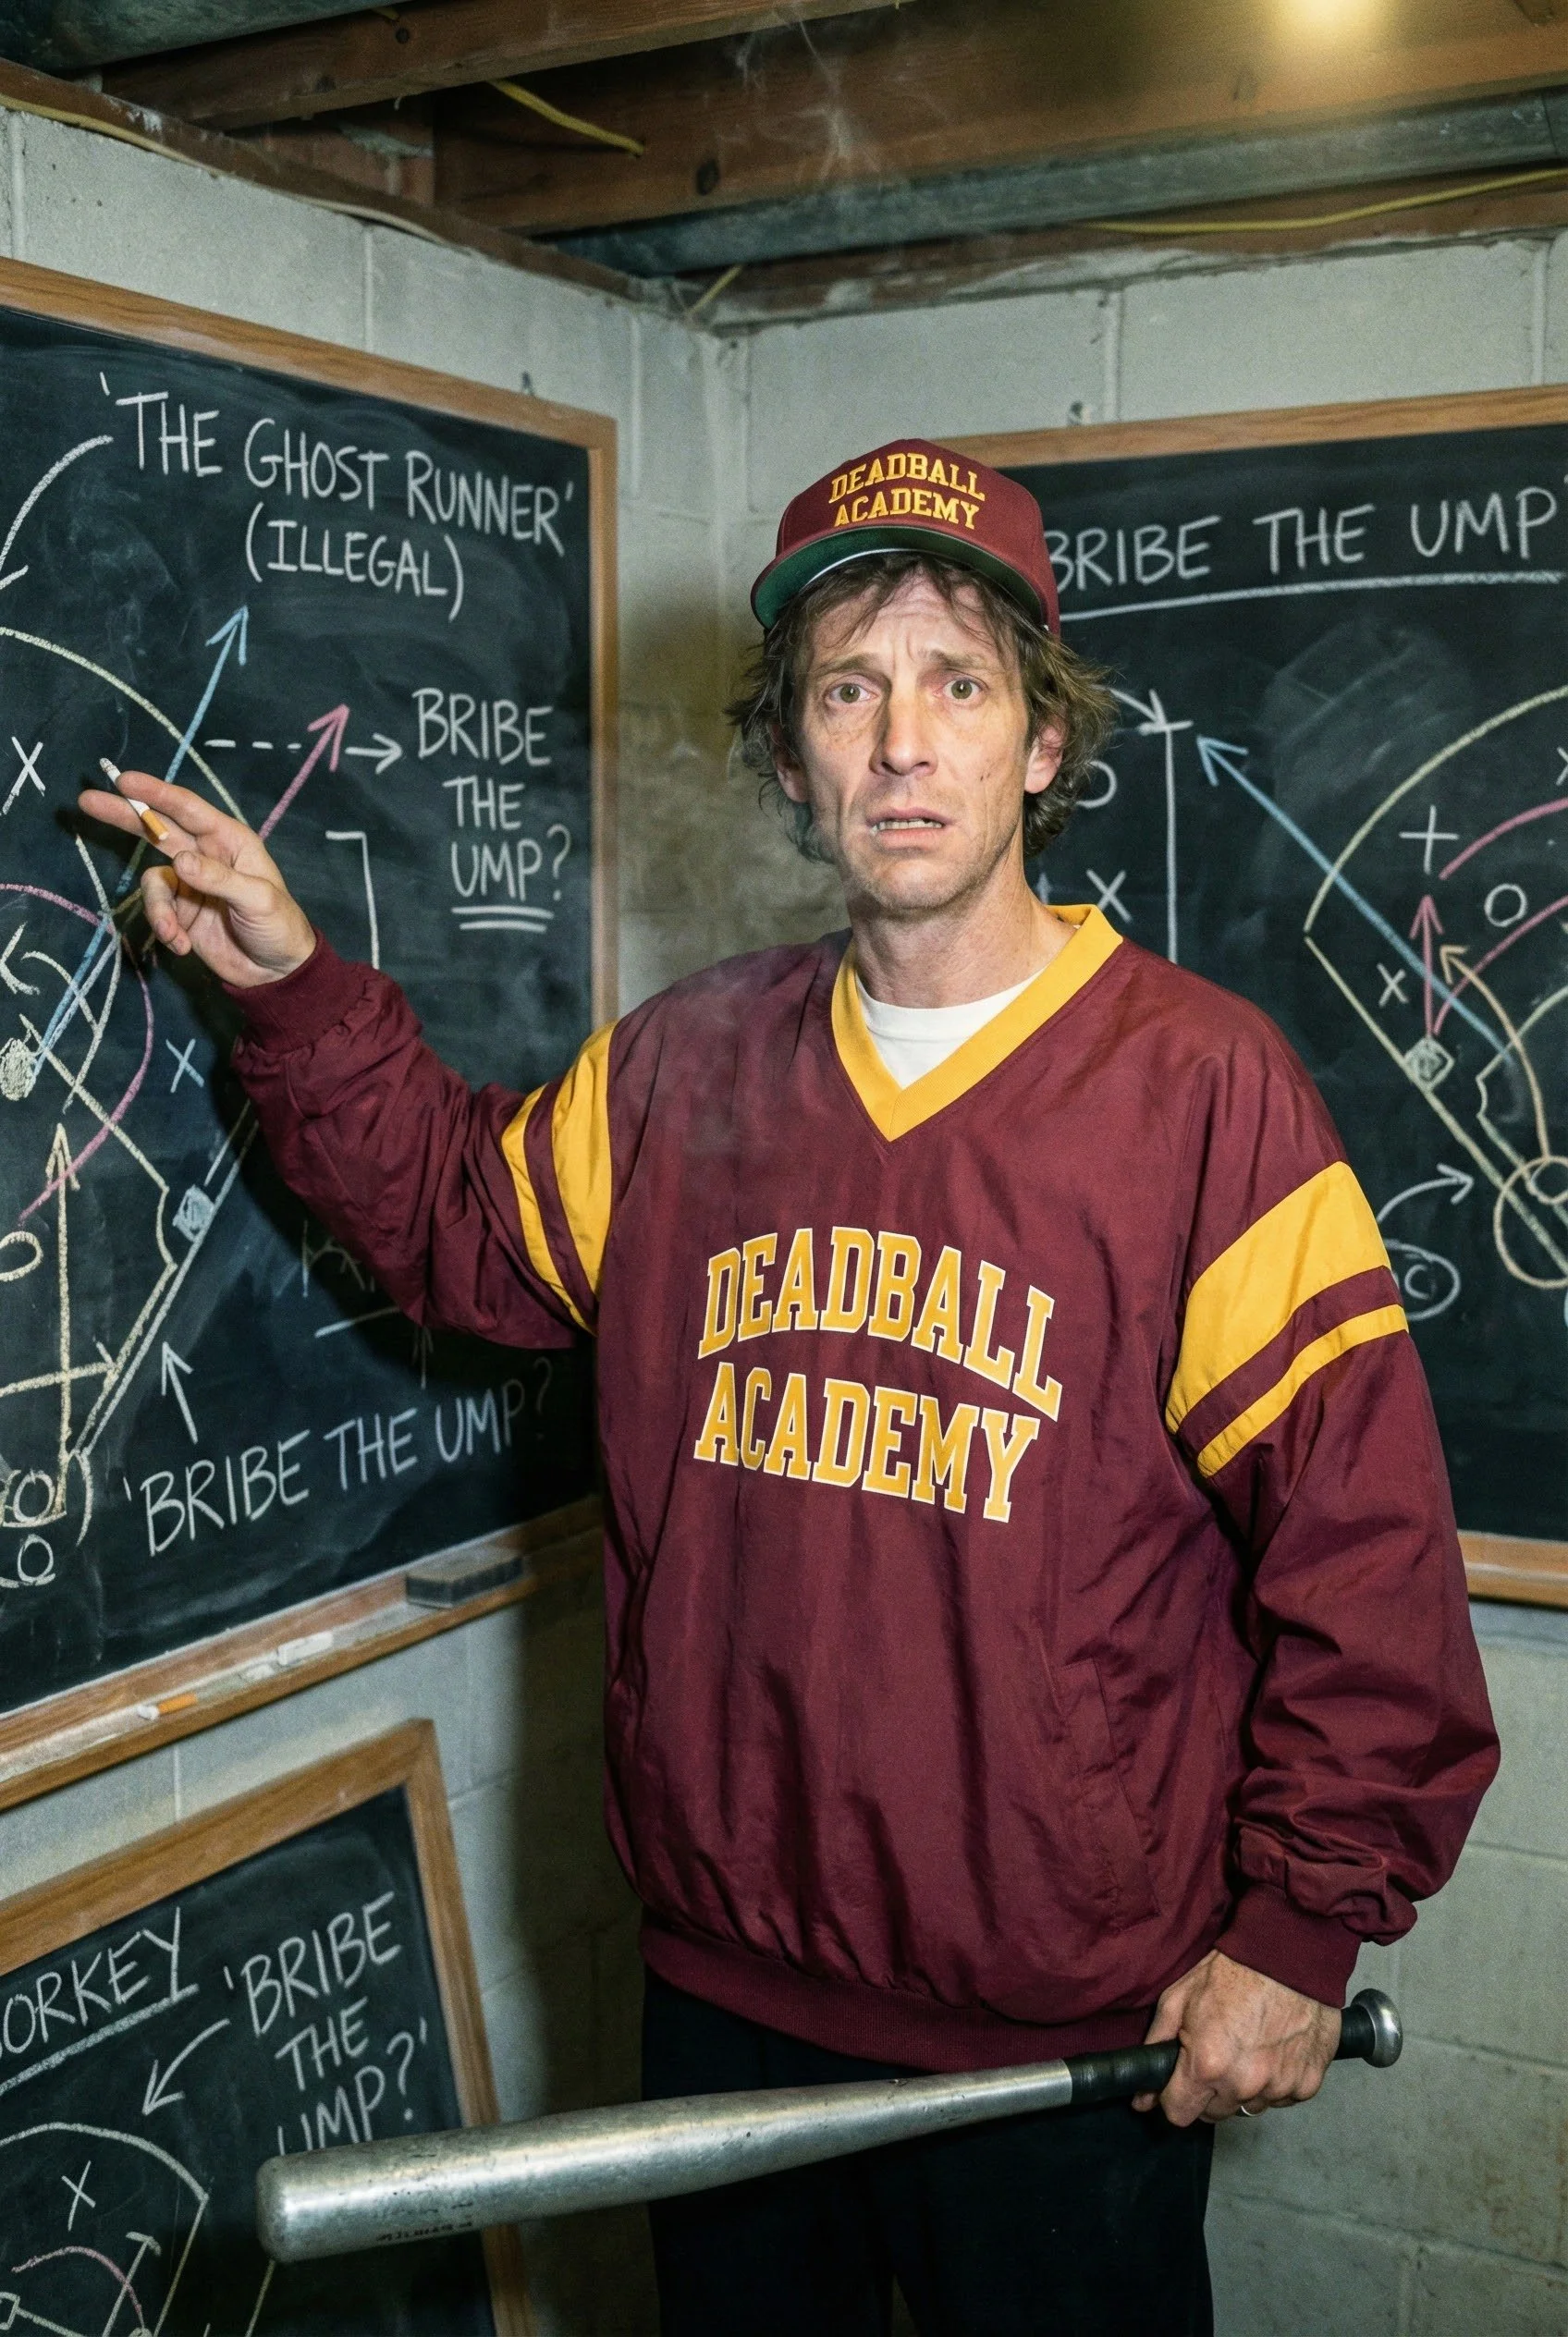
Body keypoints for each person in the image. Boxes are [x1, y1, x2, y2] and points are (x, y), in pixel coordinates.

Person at [81, 438, 1499, 2337]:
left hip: (1058, 2040)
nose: (902, 743)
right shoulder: (684, 1069)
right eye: (847, 690)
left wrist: (1298, 1926)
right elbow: (448, 1225)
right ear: (787, 758)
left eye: (955, 685)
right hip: (730, 2012)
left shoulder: (1201, 1099)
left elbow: (1363, 1560)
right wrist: (289, 983)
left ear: (1039, 744)